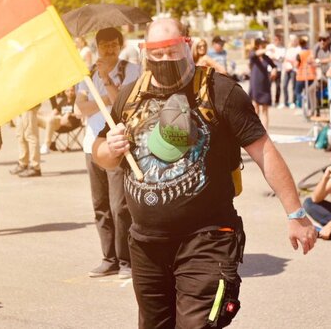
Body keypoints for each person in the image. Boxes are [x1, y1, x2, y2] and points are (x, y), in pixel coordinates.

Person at [92, 19, 315, 328]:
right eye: (157, 54)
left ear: (187, 45)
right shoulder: (130, 96)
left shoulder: (220, 91)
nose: (166, 60)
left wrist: (296, 212)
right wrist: (109, 148)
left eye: (172, 51)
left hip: (207, 241)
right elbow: (101, 154)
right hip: (146, 245)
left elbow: (264, 152)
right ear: (145, 54)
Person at [76, 27, 140, 279]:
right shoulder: (87, 72)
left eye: (114, 44)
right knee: (100, 205)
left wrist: (106, 81)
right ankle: (108, 258)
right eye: (104, 45)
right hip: (91, 143)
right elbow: (81, 106)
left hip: (117, 145)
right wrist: (105, 100)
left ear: (120, 44)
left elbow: (124, 103)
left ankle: (126, 260)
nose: (109, 49)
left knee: (120, 205)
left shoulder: (131, 69)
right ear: (97, 46)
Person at [40, 87, 81, 154]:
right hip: (59, 122)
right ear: (65, 92)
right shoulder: (64, 101)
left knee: (52, 120)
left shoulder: (77, 101)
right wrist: (50, 114)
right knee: (40, 118)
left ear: (75, 91)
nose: (70, 92)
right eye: (68, 91)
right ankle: (35, 146)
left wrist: (69, 114)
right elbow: (56, 110)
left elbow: (80, 113)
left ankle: (46, 145)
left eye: (72, 91)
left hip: (71, 123)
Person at [293, 37, 315, 111]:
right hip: (311, 75)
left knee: (298, 92)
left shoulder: (299, 54)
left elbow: (296, 65)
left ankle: (301, 106)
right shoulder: (311, 52)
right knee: (309, 91)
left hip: (301, 76)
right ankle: (309, 106)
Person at [266, 35, 287, 108]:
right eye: (274, 39)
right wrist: (276, 57)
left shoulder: (282, 49)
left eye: (277, 40)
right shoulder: (269, 47)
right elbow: (268, 57)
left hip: (278, 69)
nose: (275, 41)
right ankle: (269, 101)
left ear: (280, 40)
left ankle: (277, 101)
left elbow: (282, 59)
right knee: (268, 86)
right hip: (270, 69)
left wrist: (275, 57)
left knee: (278, 86)